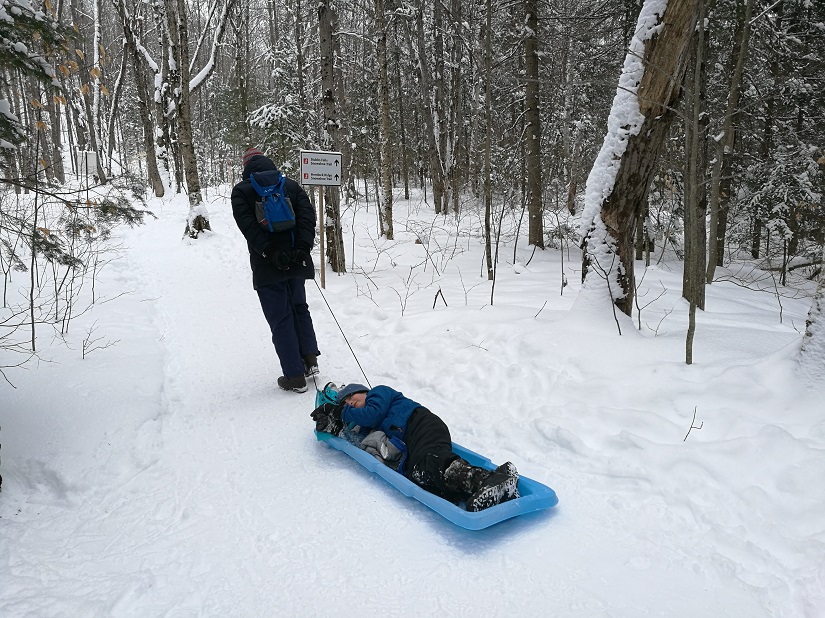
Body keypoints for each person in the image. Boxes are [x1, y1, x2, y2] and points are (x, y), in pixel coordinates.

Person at [311, 383, 519, 512]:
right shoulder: (367, 419)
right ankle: (477, 491)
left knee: (431, 459)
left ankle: (488, 480)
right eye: (345, 403)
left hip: (421, 423)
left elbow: (372, 414)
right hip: (412, 439)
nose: (349, 402)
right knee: (419, 473)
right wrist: (334, 424)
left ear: (362, 390)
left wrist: (340, 412)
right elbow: (361, 436)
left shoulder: (379, 393)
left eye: (351, 397)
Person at [231, 147, 321, 393]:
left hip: (268, 264)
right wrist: (302, 247)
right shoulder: (290, 185)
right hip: (296, 258)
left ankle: (294, 376)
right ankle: (310, 360)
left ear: (246, 166)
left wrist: (269, 252)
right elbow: (307, 216)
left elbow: (248, 228)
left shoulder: (241, 191)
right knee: (299, 308)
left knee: (280, 317)